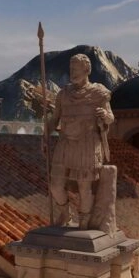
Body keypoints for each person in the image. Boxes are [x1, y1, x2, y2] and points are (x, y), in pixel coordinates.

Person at [44, 53, 114, 229]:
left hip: (87, 143)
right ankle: (65, 213)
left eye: (76, 69)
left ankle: (84, 220)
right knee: (55, 185)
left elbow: (110, 117)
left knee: (84, 187)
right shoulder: (63, 94)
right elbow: (55, 119)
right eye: (71, 69)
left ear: (87, 70)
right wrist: (46, 130)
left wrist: (105, 116)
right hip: (65, 143)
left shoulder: (98, 93)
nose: (72, 72)